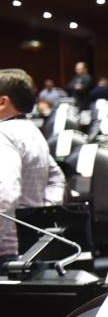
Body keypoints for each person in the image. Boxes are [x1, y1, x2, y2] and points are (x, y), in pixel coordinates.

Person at [0, 69, 66, 259]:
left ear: (3, 102)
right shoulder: (31, 130)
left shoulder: (3, 134)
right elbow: (57, 179)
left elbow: (5, 193)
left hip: (5, 250)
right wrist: (40, 217)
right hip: (30, 245)